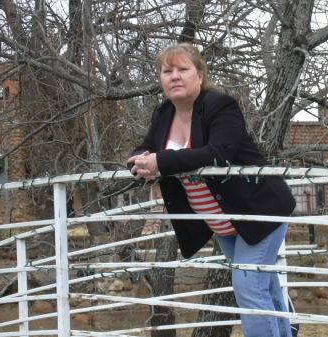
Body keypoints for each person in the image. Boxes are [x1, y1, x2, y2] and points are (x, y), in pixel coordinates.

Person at [127, 43, 297, 337]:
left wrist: (161, 161)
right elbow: (148, 148)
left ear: (200, 75)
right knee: (262, 285)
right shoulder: (164, 112)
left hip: (259, 211)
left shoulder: (220, 105)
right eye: (167, 71)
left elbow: (218, 153)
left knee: (248, 286)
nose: (175, 77)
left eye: (183, 69)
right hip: (222, 222)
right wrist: (139, 162)